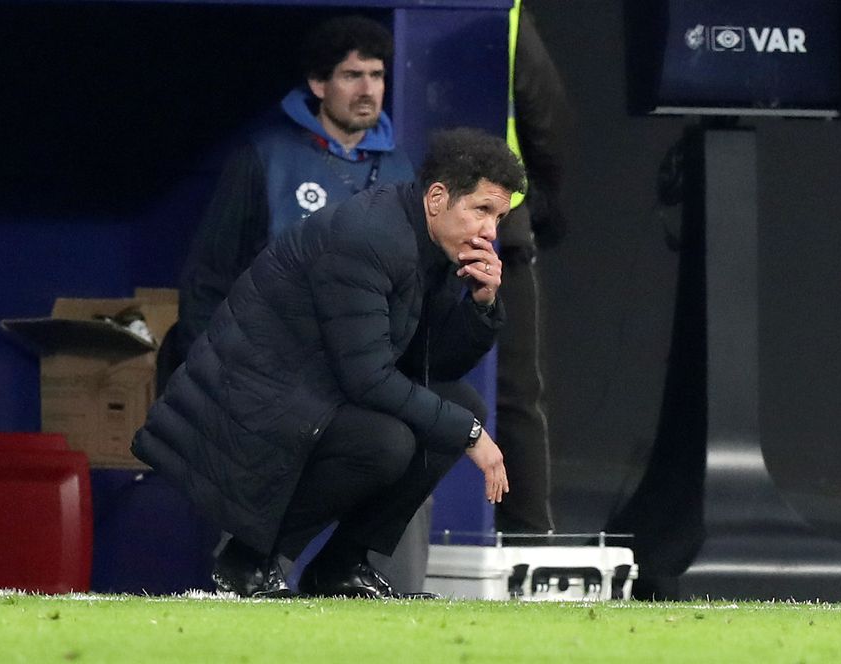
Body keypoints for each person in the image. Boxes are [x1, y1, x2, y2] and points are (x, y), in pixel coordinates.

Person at [132, 128, 526, 599]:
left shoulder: (433, 243)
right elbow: (368, 379)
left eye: (499, 217)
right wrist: (470, 435)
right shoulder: (369, 237)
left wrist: (481, 306)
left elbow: (433, 366)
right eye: (482, 210)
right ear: (438, 197)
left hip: (313, 393)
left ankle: (341, 566)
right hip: (250, 403)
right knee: (388, 441)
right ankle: (248, 558)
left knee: (459, 405)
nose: (490, 232)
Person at [156, 14, 430, 591]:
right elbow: (208, 277)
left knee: (434, 422)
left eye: (377, 75)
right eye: (352, 75)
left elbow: (414, 289)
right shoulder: (265, 158)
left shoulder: (403, 170)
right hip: (267, 373)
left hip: (356, 375)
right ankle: (246, 573)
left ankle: (357, 575)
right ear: (317, 84)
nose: (368, 89)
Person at [493, 0, 570, 535]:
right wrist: (543, 198)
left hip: (424, 221)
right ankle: (527, 541)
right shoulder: (509, 12)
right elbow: (548, 119)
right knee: (516, 396)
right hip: (504, 226)